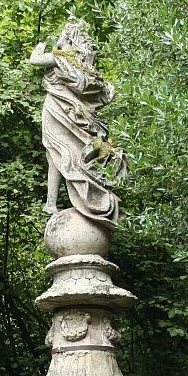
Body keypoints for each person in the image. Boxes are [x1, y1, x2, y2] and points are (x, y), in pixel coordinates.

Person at [30, 22, 129, 228]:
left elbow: (34, 60)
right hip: (76, 115)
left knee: (56, 155)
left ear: (67, 38)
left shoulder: (59, 59)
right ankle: (53, 203)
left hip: (56, 110)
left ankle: (51, 203)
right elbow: (107, 92)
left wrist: (40, 46)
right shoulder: (83, 68)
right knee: (65, 154)